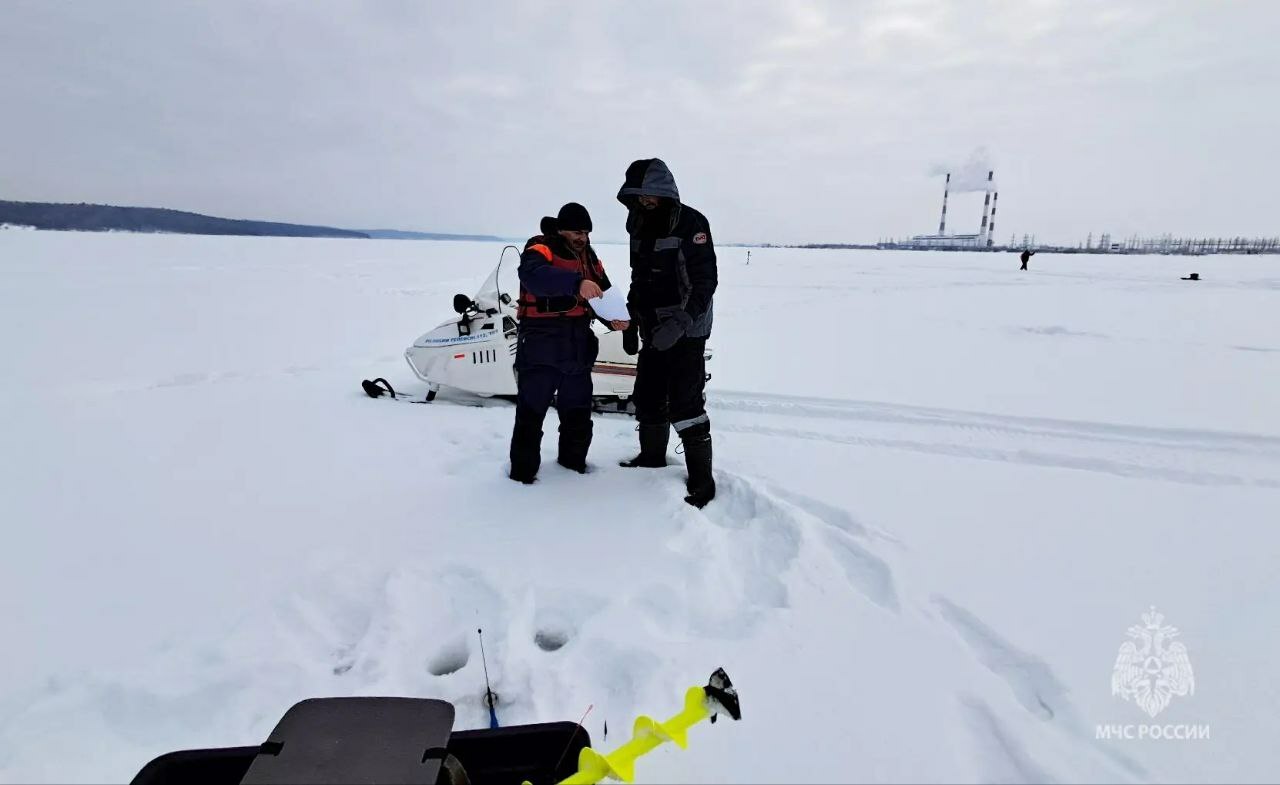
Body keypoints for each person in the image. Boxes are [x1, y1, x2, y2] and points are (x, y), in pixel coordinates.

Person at [615, 158, 718, 508]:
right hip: (652, 327)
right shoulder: (639, 224)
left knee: (686, 403)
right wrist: (630, 320)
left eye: (649, 197)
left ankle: (703, 481)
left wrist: (679, 324)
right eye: (639, 198)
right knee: (646, 397)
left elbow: (705, 283)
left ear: (663, 193)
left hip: (686, 330)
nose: (644, 203)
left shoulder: (691, 223)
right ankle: (651, 461)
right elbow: (638, 277)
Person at [508, 202, 627, 484]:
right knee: (531, 414)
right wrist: (576, 283)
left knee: (578, 415)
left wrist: (614, 320)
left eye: (585, 232)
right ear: (561, 229)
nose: (582, 237)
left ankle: (572, 469)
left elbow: (602, 293)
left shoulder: (590, 257)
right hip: (541, 342)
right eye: (576, 231)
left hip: (577, 345)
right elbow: (533, 277)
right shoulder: (540, 248)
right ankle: (522, 476)